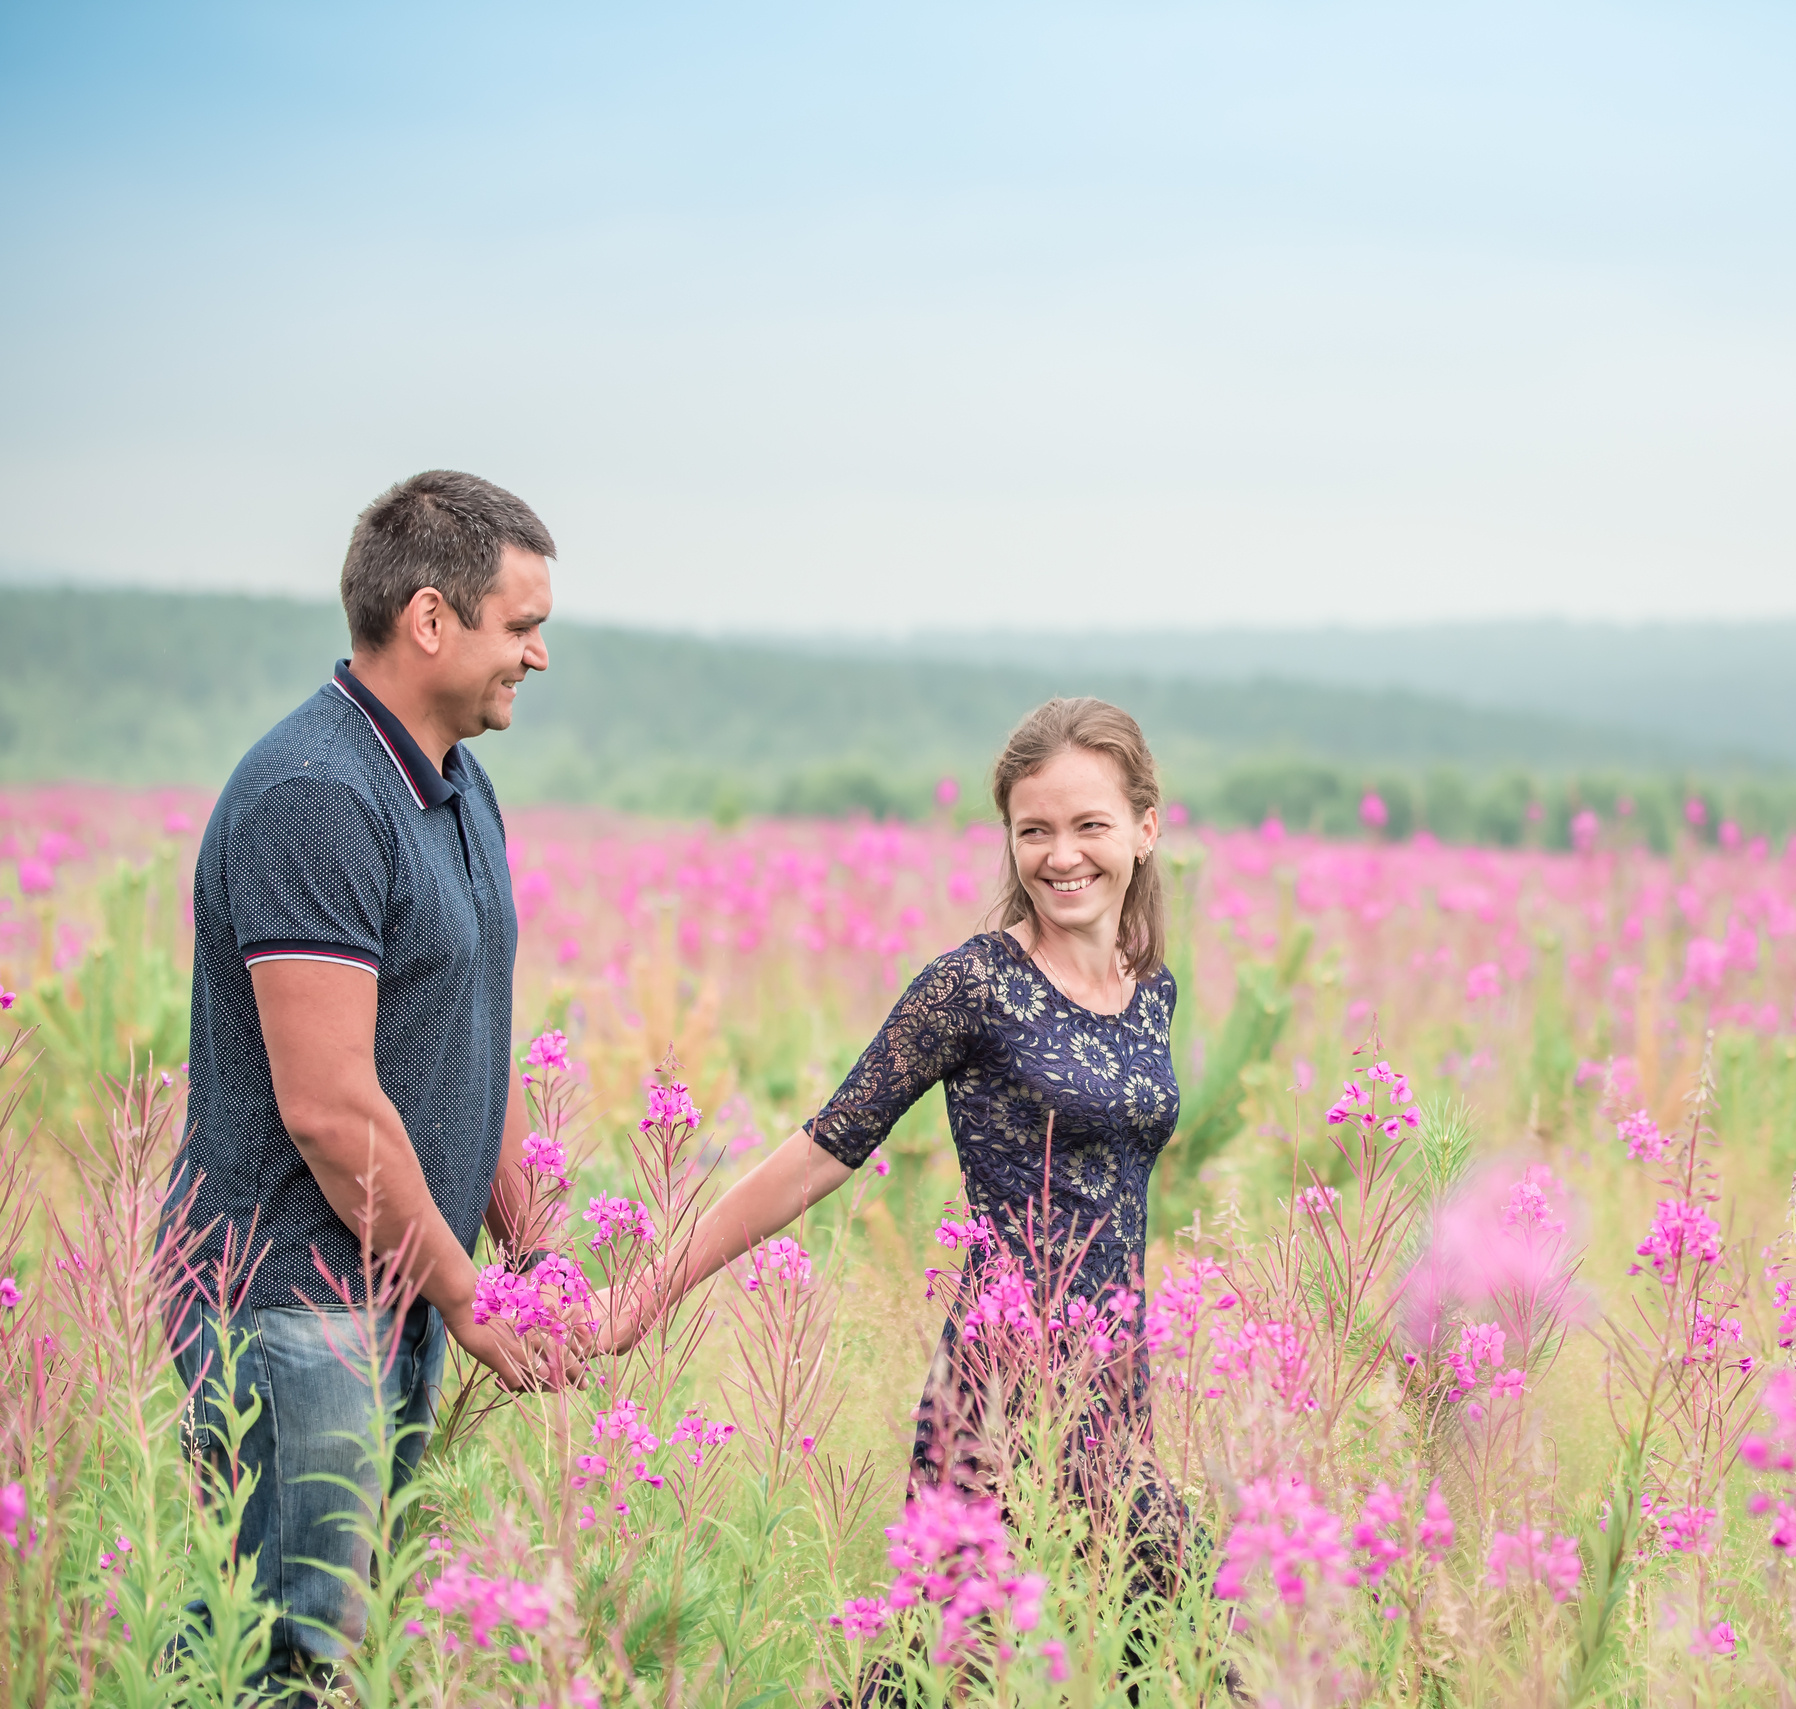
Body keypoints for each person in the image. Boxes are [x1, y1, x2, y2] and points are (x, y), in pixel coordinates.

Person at [164, 470, 576, 1699]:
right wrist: (467, 1295)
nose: (540, 656)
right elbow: (331, 1105)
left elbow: (474, 1021)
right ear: (432, 620)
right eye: (521, 625)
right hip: (290, 1298)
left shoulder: (452, 782)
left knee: (355, 1643)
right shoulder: (317, 796)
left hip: (385, 1286)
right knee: (290, 1653)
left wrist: (530, 1243)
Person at [594, 694, 1184, 1522]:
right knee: (963, 1646)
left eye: (1091, 825)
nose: (1061, 856)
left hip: (1117, 1380)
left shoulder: (1152, 991)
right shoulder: (972, 987)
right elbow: (822, 1149)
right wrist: (649, 1291)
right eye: (1034, 830)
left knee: (1153, 1642)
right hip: (1002, 1383)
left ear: (1144, 829)